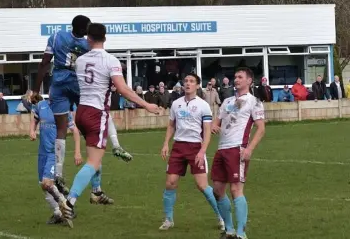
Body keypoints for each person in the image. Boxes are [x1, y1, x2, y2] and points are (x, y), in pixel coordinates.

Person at [60, 23, 160, 221]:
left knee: (95, 155)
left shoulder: (80, 60)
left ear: (88, 38)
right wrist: (146, 104)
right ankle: (69, 201)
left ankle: (96, 192)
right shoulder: (110, 60)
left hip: (81, 111)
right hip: (97, 113)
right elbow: (122, 89)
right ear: (105, 38)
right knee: (93, 161)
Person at [30, 15, 91, 194]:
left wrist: (35, 90)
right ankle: (96, 183)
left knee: (61, 129)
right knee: (89, 125)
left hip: (58, 85)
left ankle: (58, 173)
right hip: (78, 85)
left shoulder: (56, 37)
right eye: (86, 28)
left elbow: (44, 64)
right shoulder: (88, 45)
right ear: (82, 29)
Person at [159, 74, 224, 231]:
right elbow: (171, 125)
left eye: (191, 81)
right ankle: (168, 219)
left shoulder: (203, 105)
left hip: (196, 147)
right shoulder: (176, 104)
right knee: (170, 183)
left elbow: (207, 131)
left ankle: (222, 216)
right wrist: (166, 143)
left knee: (202, 185)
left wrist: (202, 151)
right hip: (178, 147)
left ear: (197, 86)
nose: (188, 84)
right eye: (186, 81)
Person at [211, 68, 266, 239]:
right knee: (217, 190)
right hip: (221, 149)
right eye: (235, 77)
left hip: (237, 148)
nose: (236, 80)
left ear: (249, 81)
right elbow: (217, 121)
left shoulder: (254, 102)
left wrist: (249, 149)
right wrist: (213, 126)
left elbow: (261, 128)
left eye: (240, 77)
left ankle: (241, 234)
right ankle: (229, 230)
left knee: (236, 189)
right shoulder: (227, 101)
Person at [29, 95, 81, 227]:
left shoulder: (63, 111)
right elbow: (34, 119)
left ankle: (67, 207)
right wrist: (32, 130)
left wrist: (77, 151)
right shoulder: (41, 105)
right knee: (43, 184)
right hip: (42, 152)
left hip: (55, 153)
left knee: (47, 183)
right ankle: (58, 213)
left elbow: (74, 130)